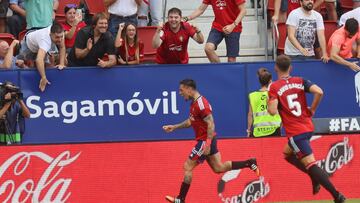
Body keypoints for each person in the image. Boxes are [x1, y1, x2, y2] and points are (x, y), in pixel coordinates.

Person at [162, 79, 260, 203]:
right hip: (209, 139)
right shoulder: (194, 104)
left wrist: (207, 144)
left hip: (205, 141)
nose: (180, 93)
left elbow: (211, 123)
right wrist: (174, 127)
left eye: (181, 90)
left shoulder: (201, 104)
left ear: (189, 89)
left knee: (187, 167)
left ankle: (181, 199)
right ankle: (249, 163)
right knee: (218, 168)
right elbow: (190, 122)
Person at [268, 55, 346, 203]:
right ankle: (313, 176)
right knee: (287, 154)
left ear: (276, 67)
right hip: (308, 127)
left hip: (295, 132)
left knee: (311, 164)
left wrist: (271, 101)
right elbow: (319, 91)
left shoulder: (274, 86)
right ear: (290, 68)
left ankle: (337, 195)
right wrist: (312, 109)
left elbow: (272, 111)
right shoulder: (300, 81)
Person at [17, 22, 66, 92]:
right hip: (28, 45)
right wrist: (43, 78)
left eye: (61, 37)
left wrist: (61, 63)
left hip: (39, 42)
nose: (60, 39)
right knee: (18, 63)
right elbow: (39, 60)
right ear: (50, 34)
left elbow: (62, 47)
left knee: (48, 64)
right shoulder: (45, 40)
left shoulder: (60, 34)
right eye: (57, 37)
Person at [247, 68, 281, 137]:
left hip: (258, 131)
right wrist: (280, 127)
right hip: (274, 130)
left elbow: (250, 115)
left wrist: (249, 130)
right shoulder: (276, 94)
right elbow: (281, 112)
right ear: (270, 81)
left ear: (260, 81)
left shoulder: (252, 95)